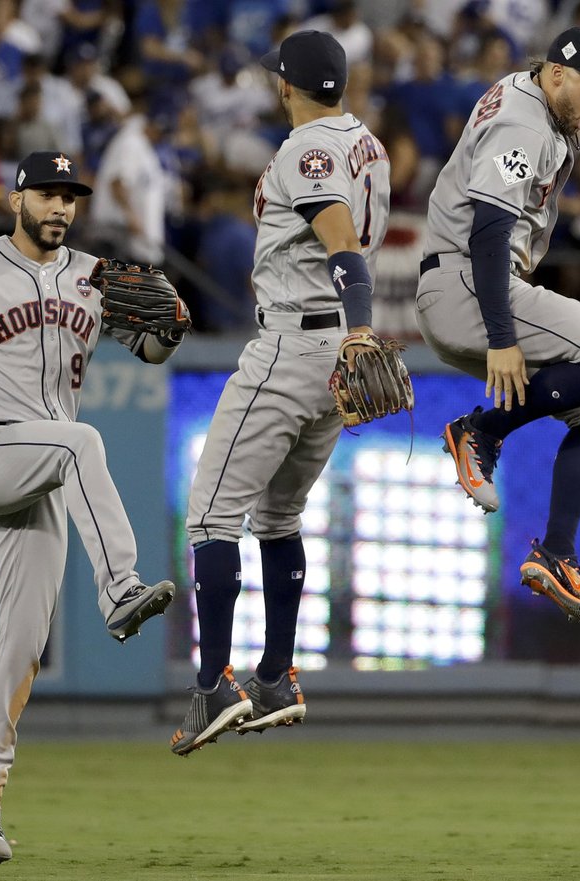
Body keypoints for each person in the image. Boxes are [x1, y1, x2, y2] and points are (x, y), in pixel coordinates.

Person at [0, 151, 181, 861]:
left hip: (41, 467)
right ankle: (120, 590)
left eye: (69, 198)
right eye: (47, 195)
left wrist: (167, 325)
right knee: (82, 440)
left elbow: (150, 345)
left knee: (24, 639)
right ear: (15, 199)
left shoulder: (94, 277)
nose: (59, 208)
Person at [172, 30, 391, 756]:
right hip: (331, 357)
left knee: (208, 514)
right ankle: (276, 676)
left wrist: (359, 330)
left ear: (286, 86)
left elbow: (344, 249)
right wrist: (355, 337)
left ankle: (212, 687)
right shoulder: (367, 142)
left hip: (297, 342)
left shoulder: (307, 150)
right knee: (279, 513)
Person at [415, 26, 580, 630]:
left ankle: (555, 556)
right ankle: (481, 431)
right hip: (471, 282)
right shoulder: (523, 119)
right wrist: (503, 339)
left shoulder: (532, 101)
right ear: (556, 73)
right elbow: (490, 231)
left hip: (471, 283)